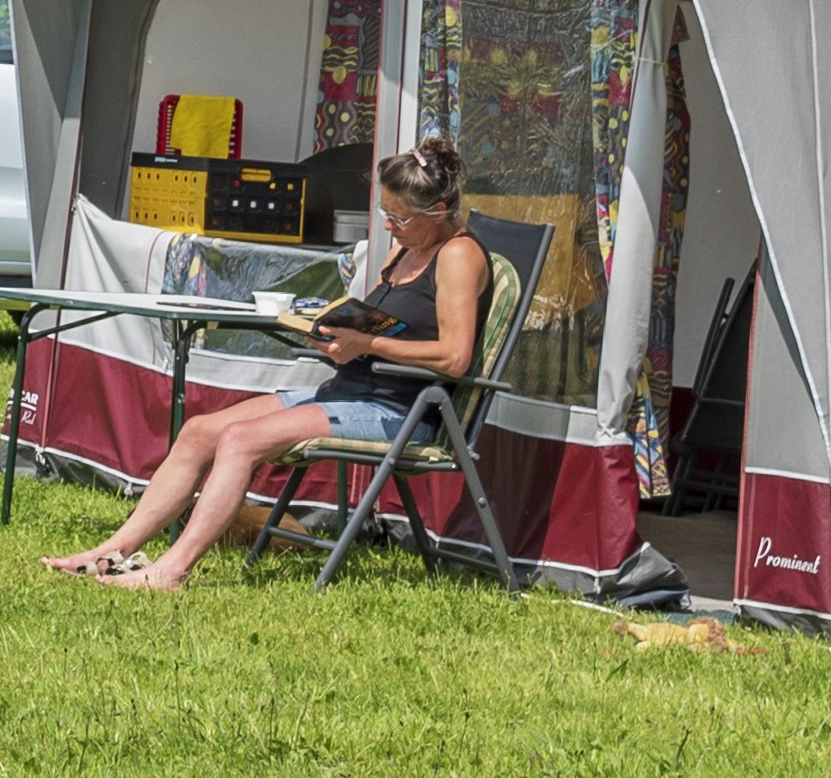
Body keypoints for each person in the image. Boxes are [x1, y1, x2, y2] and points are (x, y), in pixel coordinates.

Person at [44, 141, 496, 591]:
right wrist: (329, 330)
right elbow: (385, 320)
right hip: (354, 391)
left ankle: (170, 571)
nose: (391, 228)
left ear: (439, 210)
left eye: (401, 219)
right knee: (200, 431)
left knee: (241, 440)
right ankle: (112, 553)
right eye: (386, 214)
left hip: (401, 409)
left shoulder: (457, 255)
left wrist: (365, 342)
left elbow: (454, 358)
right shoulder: (408, 250)